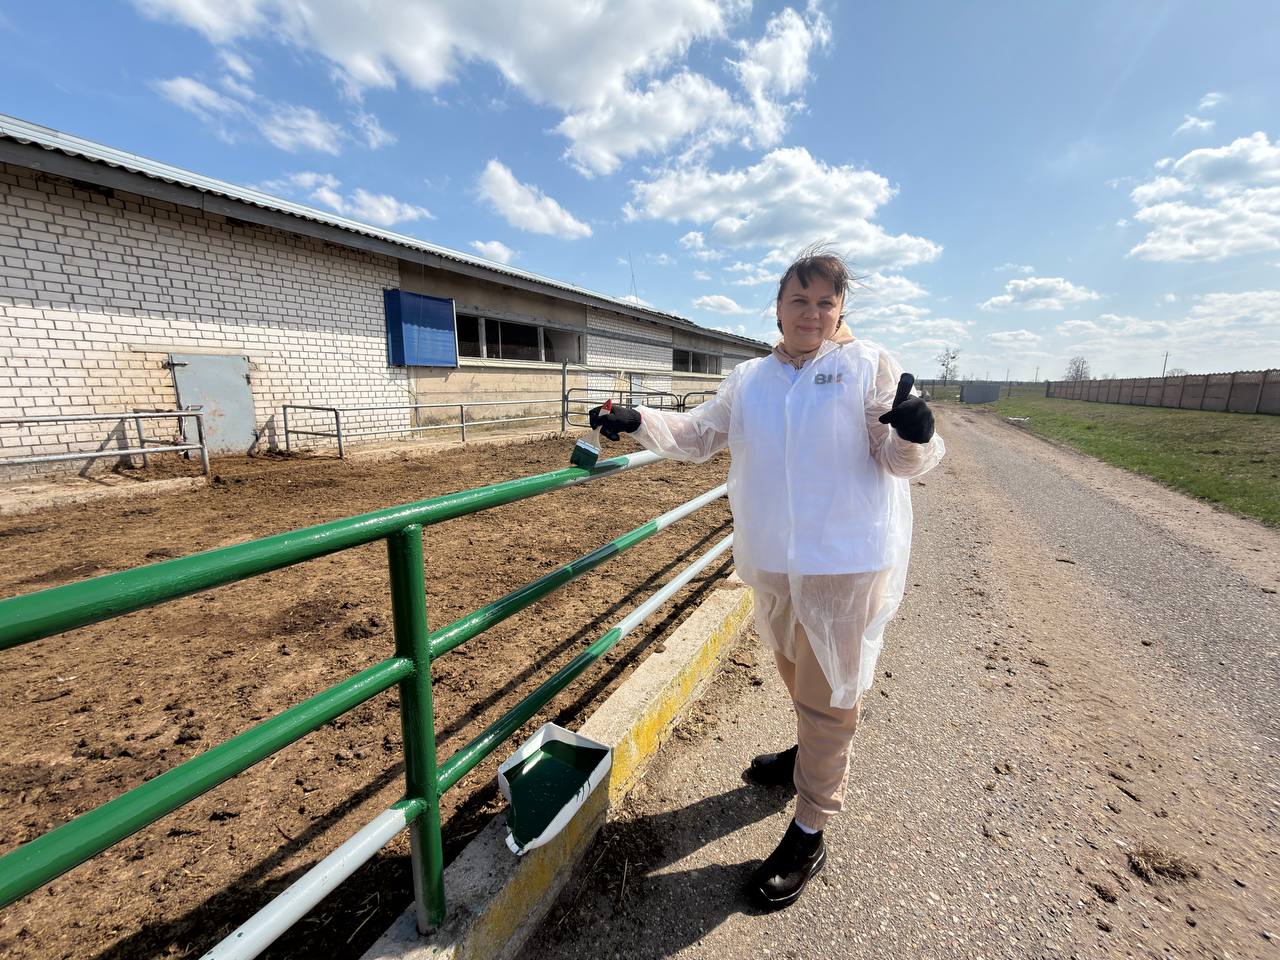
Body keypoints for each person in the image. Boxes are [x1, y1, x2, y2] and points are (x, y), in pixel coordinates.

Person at [588, 246, 945, 909]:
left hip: (844, 563)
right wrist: (638, 421)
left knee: (831, 697)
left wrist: (915, 433)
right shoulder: (751, 378)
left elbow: (898, 461)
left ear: (841, 310)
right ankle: (807, 755)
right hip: (774, 560)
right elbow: (699, 436)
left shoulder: (867, 365)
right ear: (777, 308)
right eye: (799, 300)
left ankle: (811, 828)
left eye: (825, 302)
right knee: (797, 674)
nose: (812, 313)